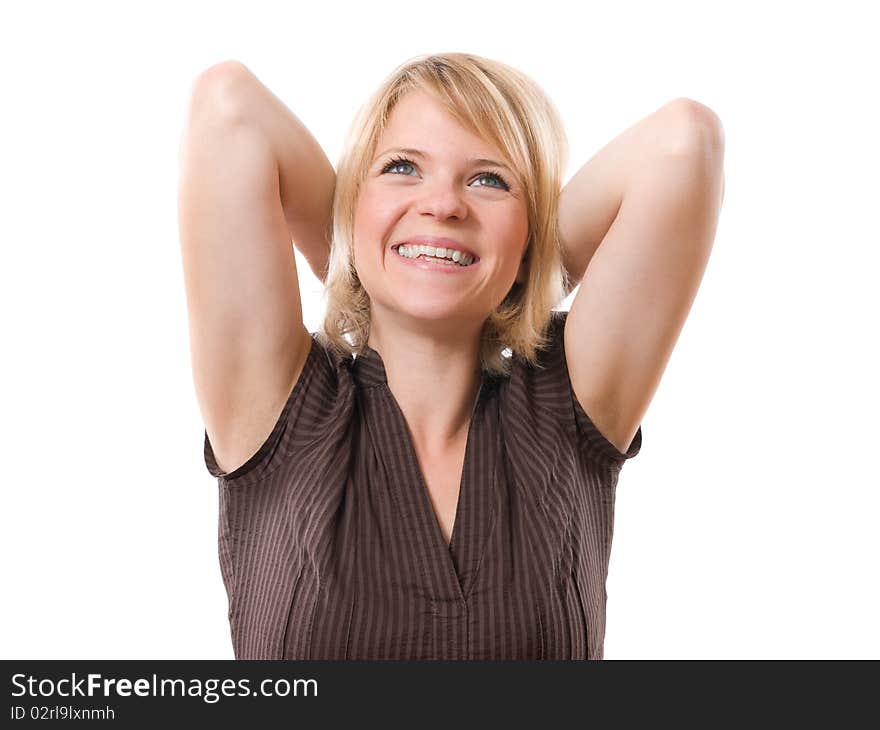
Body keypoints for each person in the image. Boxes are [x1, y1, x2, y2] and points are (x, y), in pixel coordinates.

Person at [178, 53, 724, 659]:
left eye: (489, 180)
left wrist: (512, 264)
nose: (444, 204)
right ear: (352, 206)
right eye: (402, 168)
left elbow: (684, 142)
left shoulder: (565, 404)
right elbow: (228, 107)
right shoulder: (284, 408)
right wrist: (362, 255)